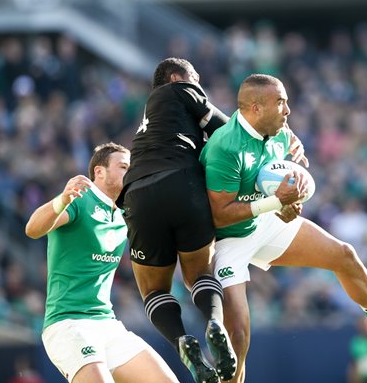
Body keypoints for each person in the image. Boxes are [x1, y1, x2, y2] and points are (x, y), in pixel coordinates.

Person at [199, 73, 367, 383]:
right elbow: (219, 216)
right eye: (280, 103)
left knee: (343, 254)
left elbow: (277, 178)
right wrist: (275, 202)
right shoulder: (226, 147)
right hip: (226, 240)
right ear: (255, 108)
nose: (288, 110)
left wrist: (286, 205)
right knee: (239, 335)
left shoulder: (277, 131)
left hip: (262, 221)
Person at [117, 58, 305, 383]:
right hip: (184, 185)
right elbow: (233, 128)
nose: (199, 83)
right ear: (177, 78)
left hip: (138, 194)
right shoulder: (178, 90)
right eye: (195, 78)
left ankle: (181, 340)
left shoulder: (151, 122)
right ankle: (213, 323)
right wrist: (279, 138)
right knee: (199, 275)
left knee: (154, 290)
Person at [25, 143, 178, 383]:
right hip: (68, 324)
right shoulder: (78, 200)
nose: (131, 173)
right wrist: (61, 200)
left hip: (107, 325)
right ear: (99, 172)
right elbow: (32, 229)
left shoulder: (123, 214)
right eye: (123, 167)